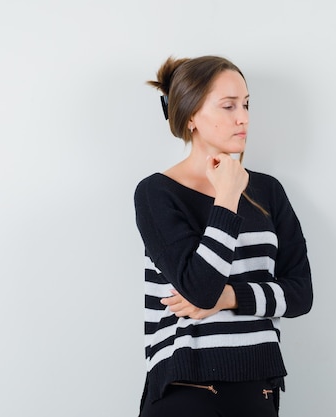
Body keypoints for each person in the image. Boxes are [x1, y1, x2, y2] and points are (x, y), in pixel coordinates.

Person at [134, 55, 313, 417]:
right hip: (185, 388)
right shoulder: (157, 193)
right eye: (228, 106)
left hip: (257, 386)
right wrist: (227, 197)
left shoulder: (268, 191)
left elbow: (300, 295)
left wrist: (229, 296)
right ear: (190, 116)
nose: (243, 117)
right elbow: (199, 288)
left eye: (246, 104)